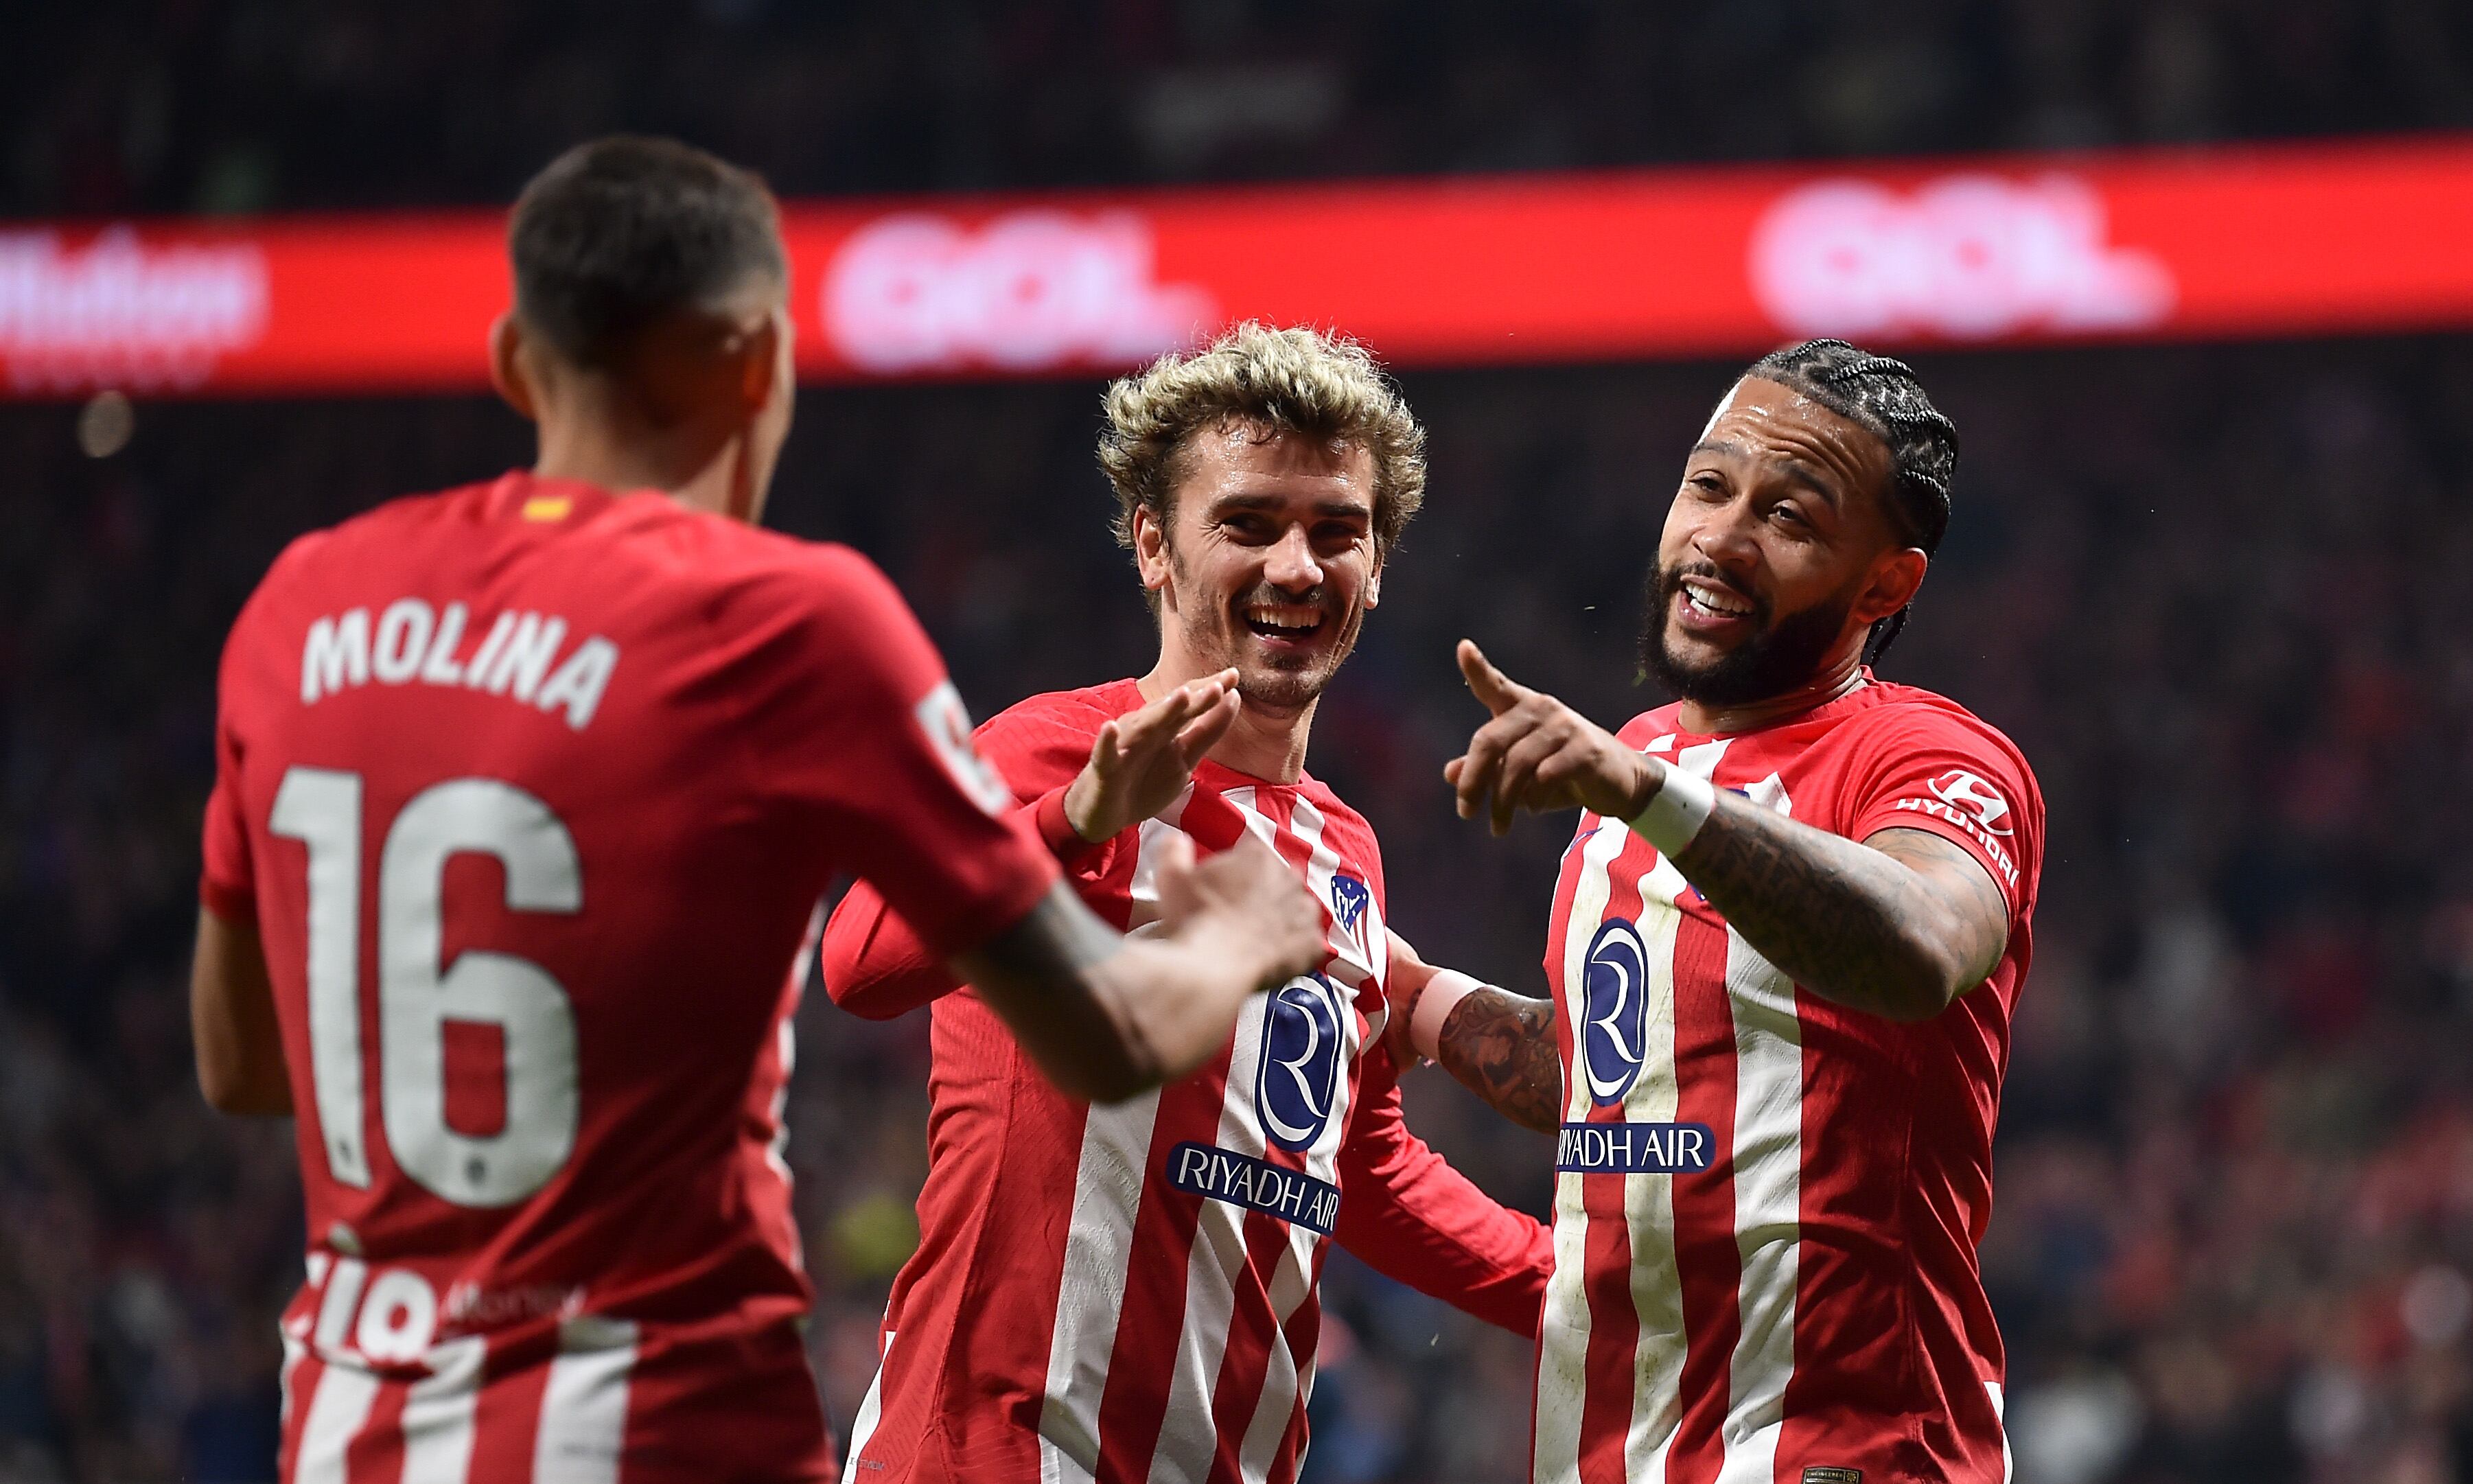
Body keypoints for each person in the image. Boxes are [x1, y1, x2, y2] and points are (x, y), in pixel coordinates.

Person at [187, 137, 1323, 1484]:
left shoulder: (303, 603)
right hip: (660, 1432)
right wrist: (1239, 937)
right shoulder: (787, 623)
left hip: (349, 1436)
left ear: (511, 362)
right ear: (756, 365)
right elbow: (1107, 1033)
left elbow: (242, 1066)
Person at [819, 323, 1553, 1484]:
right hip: (994, 1458)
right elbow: (858, 961)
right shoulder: (1052, 749)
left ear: (1379, 563)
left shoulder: (1345, 847)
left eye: (1337, 532)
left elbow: (1353, 1166)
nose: (1298, 567)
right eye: (1249, 524)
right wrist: (1086, 816)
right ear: (1156, 548)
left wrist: (1587, 1297)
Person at [1388, 340, 2043, 1482]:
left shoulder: (1929, 756)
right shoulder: (1643, 758)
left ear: (1885, 586)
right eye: (1708, 484)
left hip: (1849, 1454)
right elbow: (1630, 1085)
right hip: (1612, 1452)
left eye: (1787, 515)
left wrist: (1652, 794)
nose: (1720, 539)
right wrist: (1408, 994)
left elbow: (1924, 947)